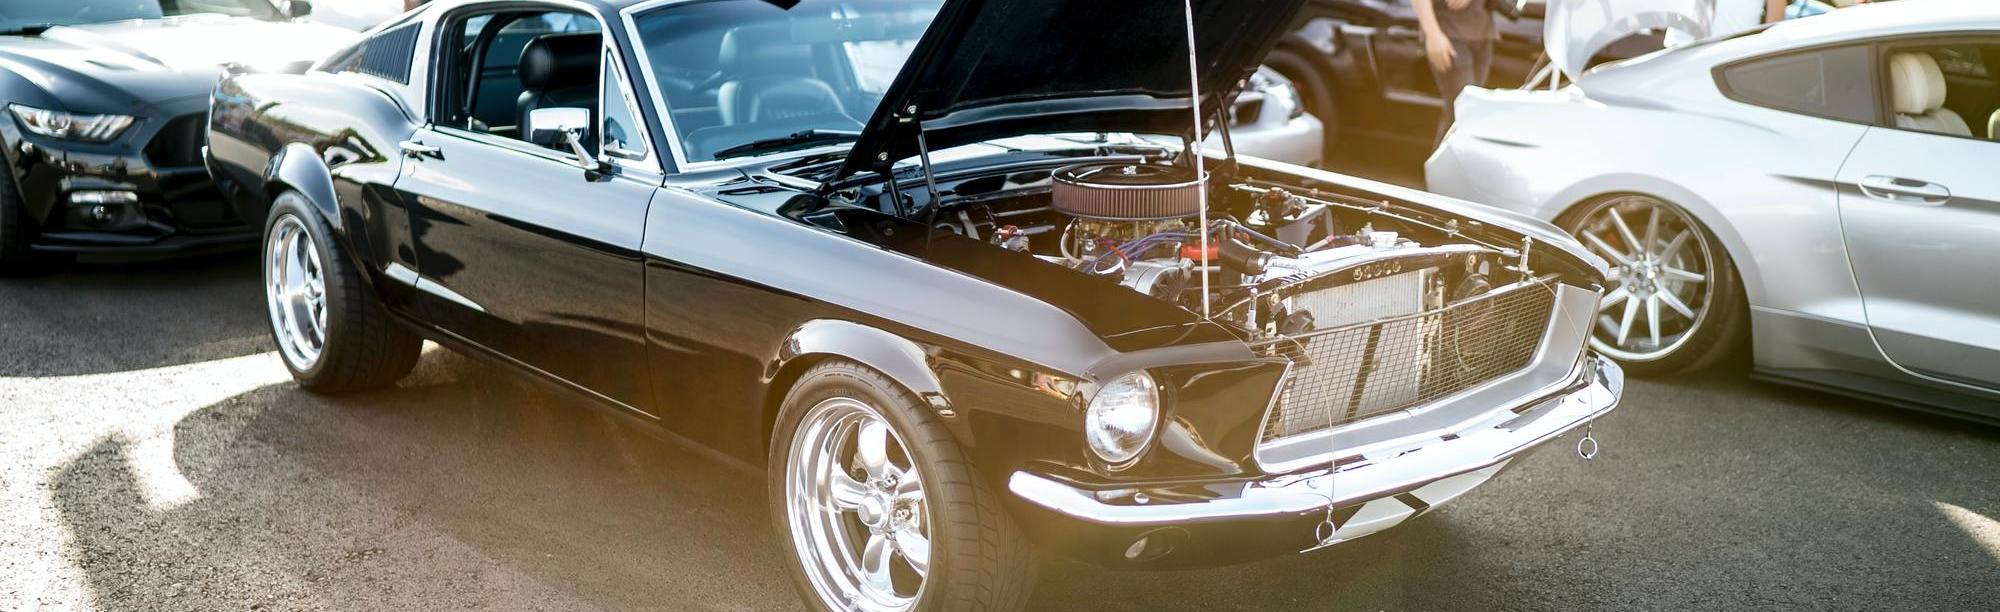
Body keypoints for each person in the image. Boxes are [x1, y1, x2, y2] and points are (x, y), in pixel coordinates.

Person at [1415, 0, 1497, 148]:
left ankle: (1449, 170)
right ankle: (1439, 171)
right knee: (1462, 114)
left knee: (1468, 116)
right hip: (1448, 33)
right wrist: (1433, 34)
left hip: (1483, 32)